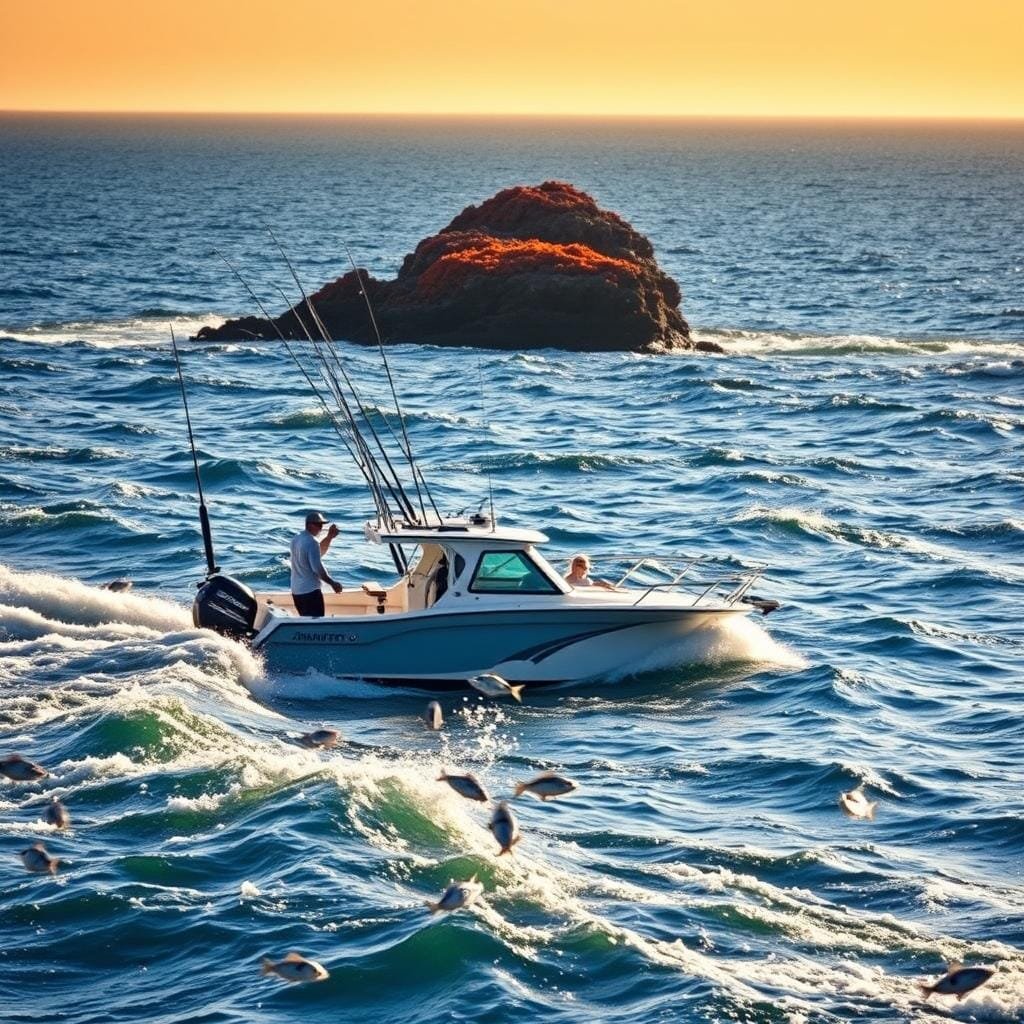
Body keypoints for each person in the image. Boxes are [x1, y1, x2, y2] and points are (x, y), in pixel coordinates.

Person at [290, 511, 342, 617]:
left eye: (322, 525)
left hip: (297, 591)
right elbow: (317, 568)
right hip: (310, 592)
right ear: (309, 525)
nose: (321, 528)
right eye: (318, 525)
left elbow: (318, 554)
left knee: (306, 622)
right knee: (316, 622)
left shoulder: (297, 538)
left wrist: (329, 537)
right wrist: (333, 583)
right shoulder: (312, 542)